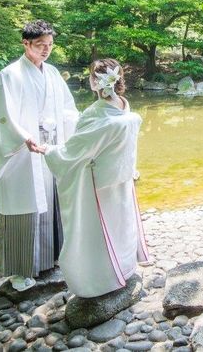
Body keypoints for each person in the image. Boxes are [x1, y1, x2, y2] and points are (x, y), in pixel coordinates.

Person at [39, 59, 149, 297]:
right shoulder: (124, 105)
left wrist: (47, 150)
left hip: (98, 182)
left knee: (97, 229)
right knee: (120, 224)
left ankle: (101, 280)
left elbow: (75, 150)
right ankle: (125, 268)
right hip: (121, 176)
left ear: (95, 82)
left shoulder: (96, 113)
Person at [0, 20, 79, 291]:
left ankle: (50, 259)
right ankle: (20, 270)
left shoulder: (52, 73)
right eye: (40, 45)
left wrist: (79, 131)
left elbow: (68, 109)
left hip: (49, 147)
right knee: (25, 204)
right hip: (21, 153)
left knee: (51, 200)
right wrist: (22, 137)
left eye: (50, 45)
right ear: (25, 43)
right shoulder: (10, 75)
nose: (46, 50)